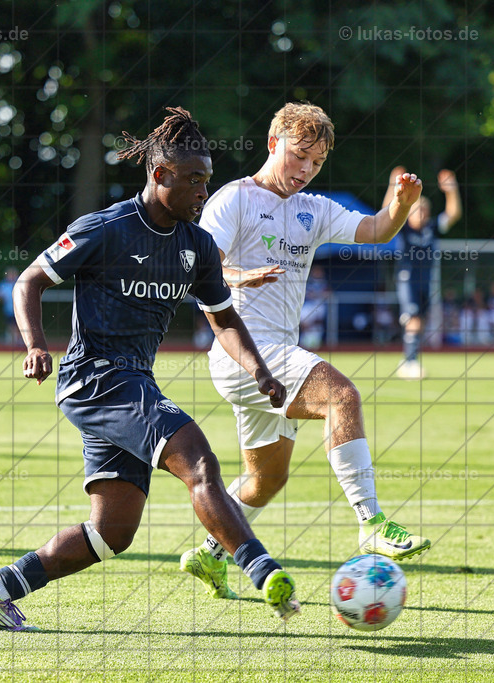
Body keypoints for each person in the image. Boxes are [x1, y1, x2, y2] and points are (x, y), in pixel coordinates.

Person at [0, 107, 301, 631]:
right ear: (159, 175)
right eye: (192, 181)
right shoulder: (107, 228)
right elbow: (30, 281)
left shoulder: (198, 246)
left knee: (111, 534)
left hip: (133, 380)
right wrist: (35, 344)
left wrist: (260, 370)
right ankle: (262, 569)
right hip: (94, 377)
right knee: (199, 461)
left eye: (206, 181)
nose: (201, 192)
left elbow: (224, 317)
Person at [178, 102, 431, 602]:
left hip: (276, 357)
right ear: (273, 143)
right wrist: (237, 277)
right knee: (342, 395)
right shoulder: (235, 200)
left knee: (265, 479)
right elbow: (198, 267)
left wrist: (402, 205)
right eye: (298, 156)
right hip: (243, 353)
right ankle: (371, 522)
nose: (305, 169)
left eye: (316, 163)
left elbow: (376, 230)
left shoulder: (311, 208)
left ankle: (209, 551)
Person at [382, 167, 462, 378]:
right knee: (414, 319)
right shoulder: (404, 228)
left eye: (425, 211)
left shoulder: (431, 228)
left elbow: (453, 214)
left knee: (420, 321)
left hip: (426, 281)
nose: (422, 214)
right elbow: (385, 212)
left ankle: (407, 360)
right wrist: (393, 185)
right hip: (407, 280)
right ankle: (410, 362)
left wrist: (451, 190)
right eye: (417, 210)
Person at [0, 266, 20, 346]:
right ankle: (12, 340)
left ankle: (16, 340)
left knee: (18, 325)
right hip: (9, 309)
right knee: (11, 325)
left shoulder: (20, 283)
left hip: (20, 309)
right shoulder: (3, 285)